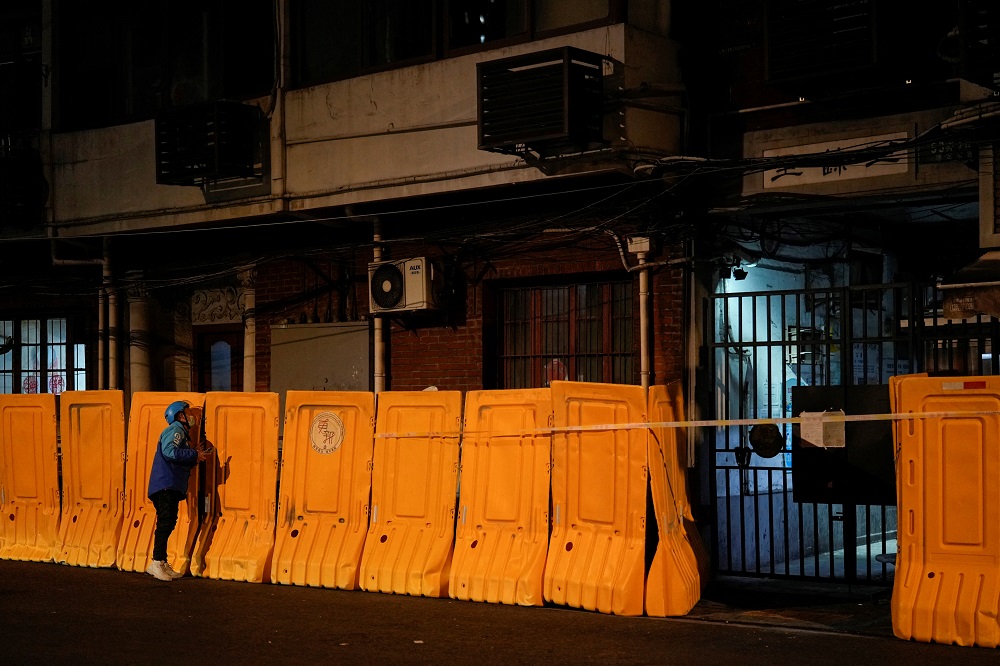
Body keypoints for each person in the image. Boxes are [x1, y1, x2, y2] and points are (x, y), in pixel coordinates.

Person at [146, 400, 212, 582]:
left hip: (169, 485)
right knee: (166, 523)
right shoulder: (175, 430)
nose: (191, 416)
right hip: (166, 484)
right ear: (179, 416)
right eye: (187, 412)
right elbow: (169, 452)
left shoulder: (181, 433)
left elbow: (177, 458)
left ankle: (162, 561)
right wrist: (192, 454)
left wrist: (194, 455)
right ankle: (156, 562)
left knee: (168, 522)